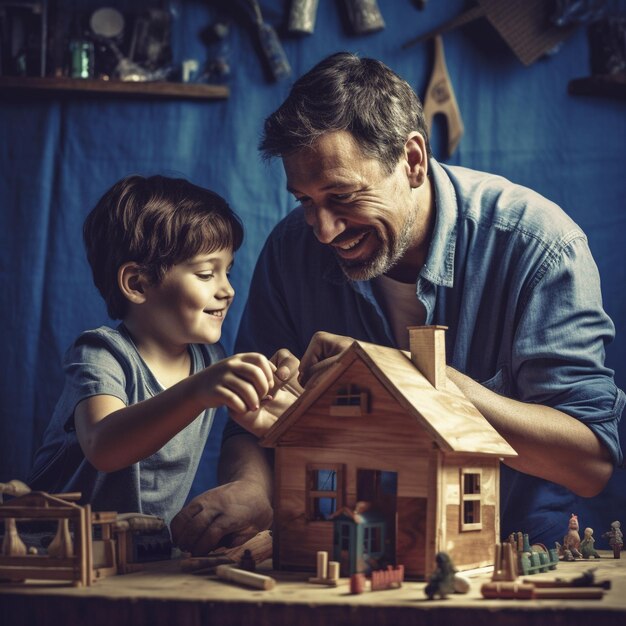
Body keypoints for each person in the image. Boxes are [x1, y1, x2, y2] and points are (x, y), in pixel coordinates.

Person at [170, 52, 624, 554]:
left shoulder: (538, 245)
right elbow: (250, 422)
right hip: (345, 558)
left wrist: (414, 379)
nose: (323, 230)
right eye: (304, 200)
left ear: (411, 160)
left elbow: (590, 465)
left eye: (342, 197)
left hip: (500, 559)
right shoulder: (290, 249)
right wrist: (254, 489)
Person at [28, 175, 298, 529]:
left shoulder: (209, 360)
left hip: (143, 552)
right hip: (52, 547)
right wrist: (199, 391)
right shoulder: (101, 353)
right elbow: (104, 447)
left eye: (227, 271)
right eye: (205, 274)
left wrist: (279, 389)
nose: (228, 290)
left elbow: (262, 424)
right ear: (137, 284)